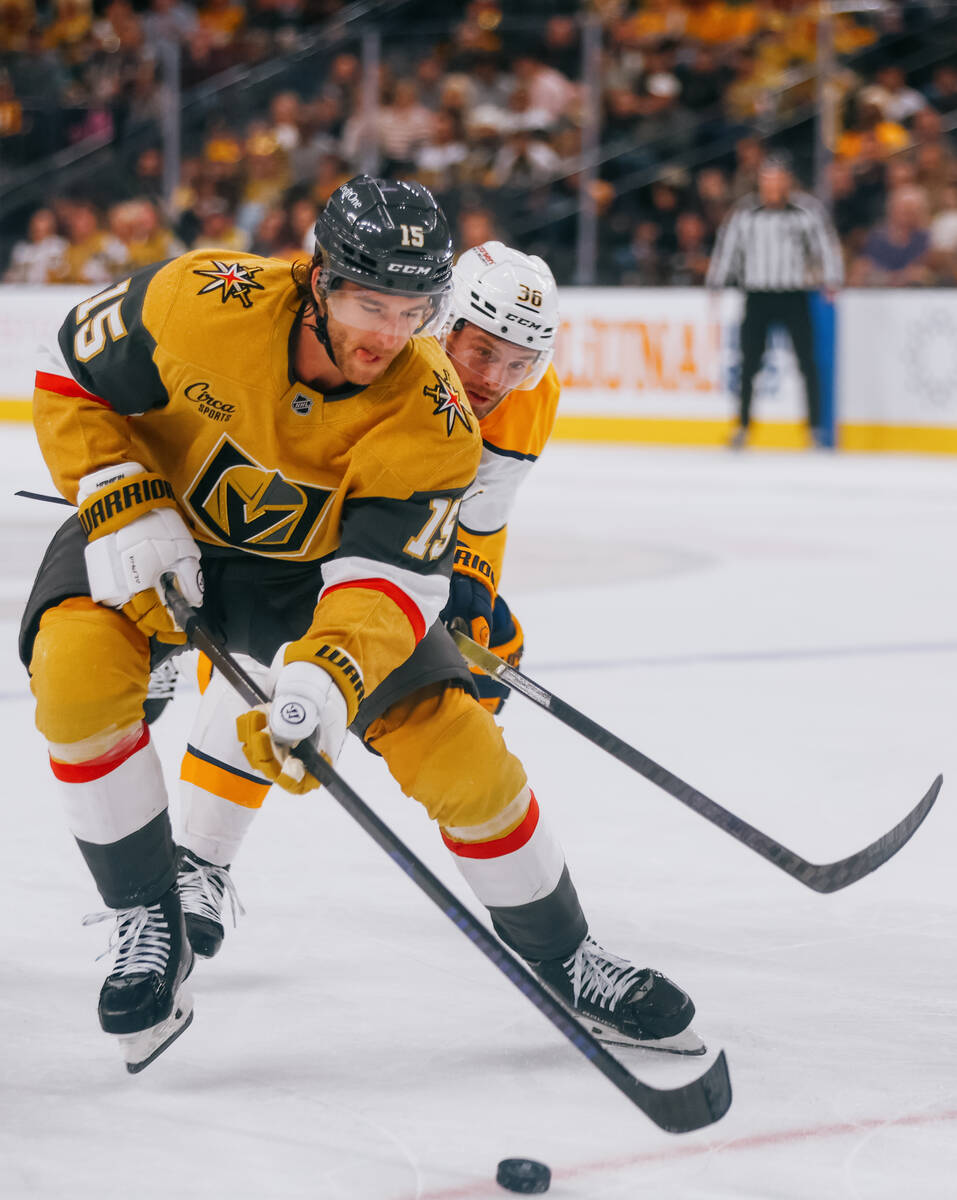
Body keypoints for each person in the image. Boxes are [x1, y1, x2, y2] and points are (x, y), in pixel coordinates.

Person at [20, 176, 698, 1073]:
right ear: (317, 278)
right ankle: (152, 913)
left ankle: (568, 958)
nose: (388, 333)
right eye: (369, 302)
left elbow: (385, 580)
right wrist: (117, 489)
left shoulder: (437, 415)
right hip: (161, 530)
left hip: (312, 578)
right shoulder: (201, 298)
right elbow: (68, 365)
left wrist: (326, 678)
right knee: (73, 673)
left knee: (456, 742)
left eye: (413, 308)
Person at [173, 241, 562, 945]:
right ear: (440, 327)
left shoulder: (531, 400)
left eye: (518, 362)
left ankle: (502, 856)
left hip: (389, 528)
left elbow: (478, 510)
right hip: (282, 512)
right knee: (265, 664)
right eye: (481, 352)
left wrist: (468, 587)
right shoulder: (367, 353)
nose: (495, 380)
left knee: (486, 654)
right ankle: (197, 862)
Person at [706, 155, 844, 448]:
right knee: (749, 363)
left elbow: (825, 246)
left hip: (794, 295)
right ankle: (743, 426)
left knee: (807, 362)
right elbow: (727, 248)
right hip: (758, 296)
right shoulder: (745, 214)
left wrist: (832, 280)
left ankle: (815, 429)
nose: (772, 185)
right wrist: (716, 282)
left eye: (777, 178)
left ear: (787, 181)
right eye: (767, 179)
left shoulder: (806, 212)